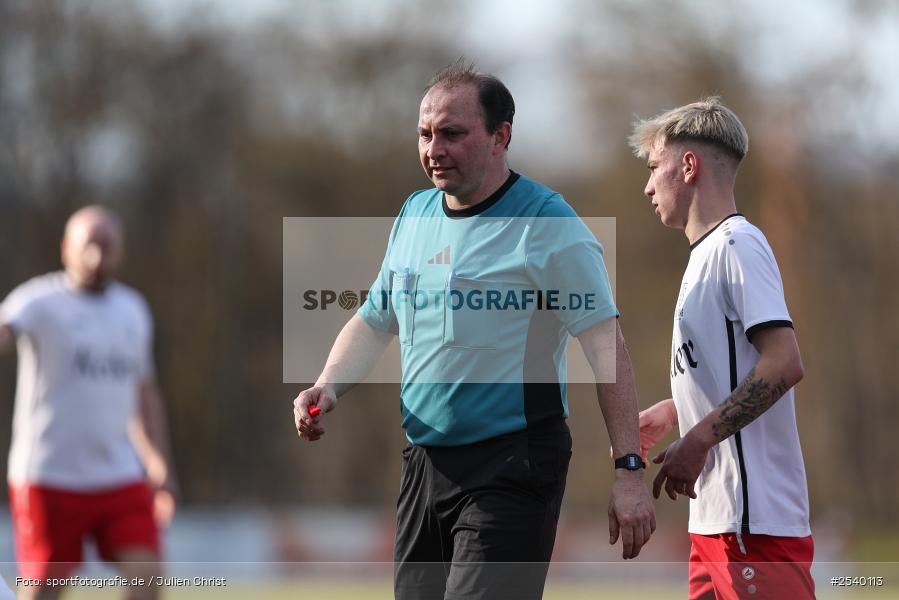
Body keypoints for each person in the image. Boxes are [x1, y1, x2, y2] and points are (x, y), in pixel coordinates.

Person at [293, 62, 655, 600]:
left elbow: (607, 346)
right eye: (425, 133)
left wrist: (628, 469)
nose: (433, 148)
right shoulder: (414, 214)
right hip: (424, 461)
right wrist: (327, 385)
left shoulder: (549, 225)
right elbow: (373, 320)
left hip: (514, 462)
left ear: (500, 136)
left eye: (452, 133)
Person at [629, 98, 813, 599]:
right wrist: (678, 412)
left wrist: (698, 441)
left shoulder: (737, 244)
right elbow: (737, 366)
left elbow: (783, 362)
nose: (647, 186)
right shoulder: (701, 258)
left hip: (754, 527)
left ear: (688, 166)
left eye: (653, 168)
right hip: (712, 524)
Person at [0, 206, 177, 600]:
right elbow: (7, 329)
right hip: (49, 476)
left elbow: (144, 393)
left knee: (147, 578)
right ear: (66, 249)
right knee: (45, 590)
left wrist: (159, 461)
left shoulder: (133, 309)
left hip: (118, 472)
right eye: (88, 246)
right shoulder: (40, 300)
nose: (97, 257)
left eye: (107, 247)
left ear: (121, 252)